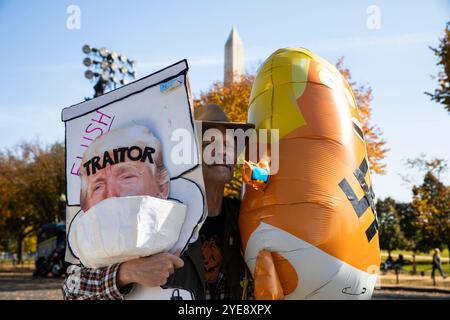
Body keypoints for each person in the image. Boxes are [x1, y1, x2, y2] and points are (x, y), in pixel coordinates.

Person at [63, 104, 255, 300]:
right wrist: (126, 273)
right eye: (210, 143)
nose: (222, 151)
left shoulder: (246, 216)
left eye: (229, 145)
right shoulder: (150, 215)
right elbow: (71, 289)